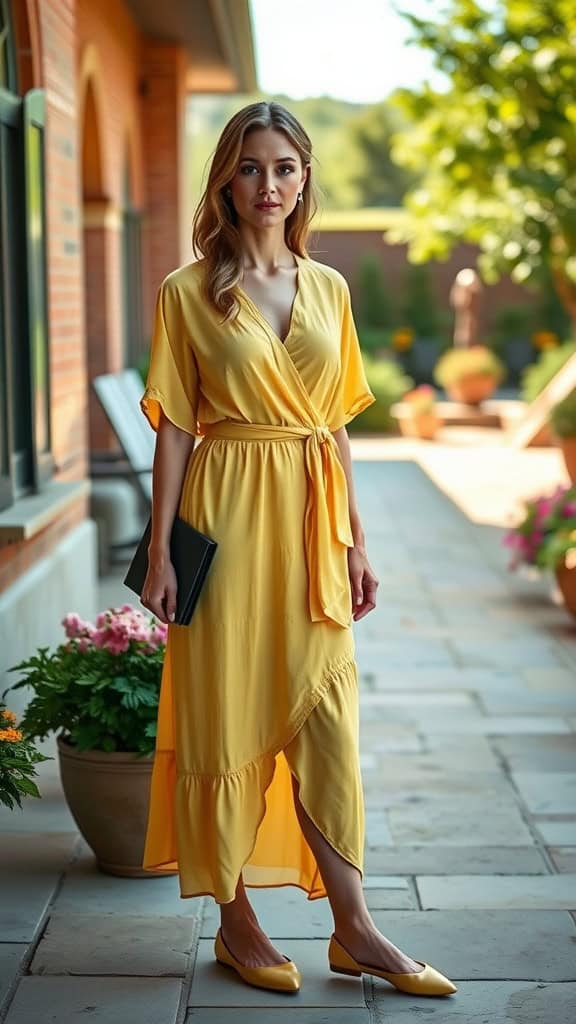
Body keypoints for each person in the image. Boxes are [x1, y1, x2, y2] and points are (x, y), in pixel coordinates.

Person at [138, 101, 456, 999]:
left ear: (306, 176)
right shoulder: (186, 291)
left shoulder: (331, 289)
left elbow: (339, 429)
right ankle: (237, 924)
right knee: (225, 712)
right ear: (224, 181)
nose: (267, 185)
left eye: (283, 166)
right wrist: (160, 550)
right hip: (227, 512)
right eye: (248, 167)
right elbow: (173, 430)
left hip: (311, 519)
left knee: (327, 721)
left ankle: (354, 927)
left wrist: (354, 538)